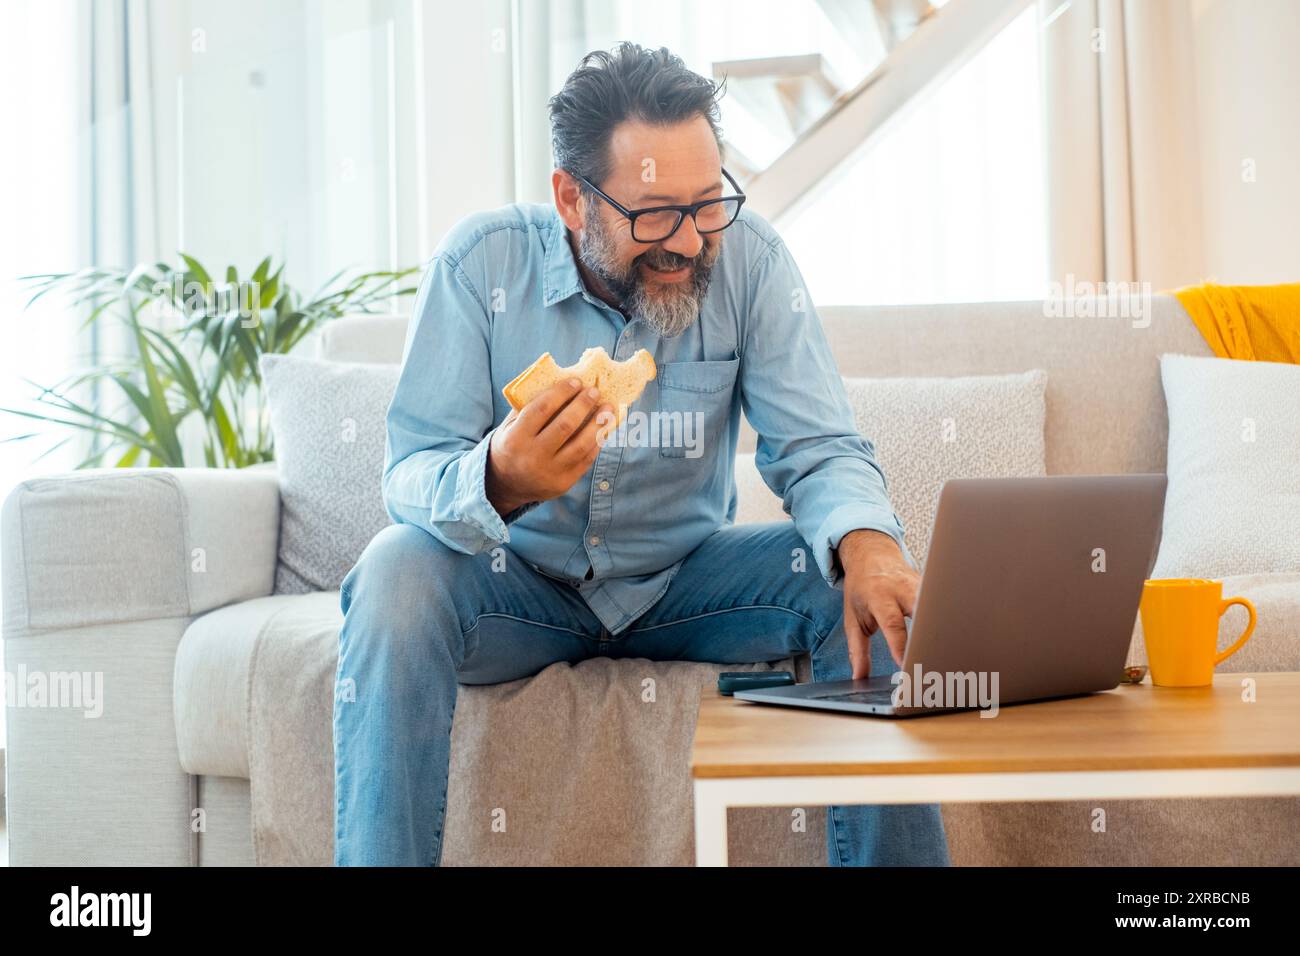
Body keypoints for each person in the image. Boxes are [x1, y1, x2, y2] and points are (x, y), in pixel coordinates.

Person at [334, 41, 949, 867]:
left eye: (707, 204)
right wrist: (500, 478)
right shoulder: (480, 265)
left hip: (687, 584)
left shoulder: (752, 262)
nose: (689, 243)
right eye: (655, 214)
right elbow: (411, 470)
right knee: (394, 572)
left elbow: (818, 445)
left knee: (849, 578)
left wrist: (870, 544)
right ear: (571, 198)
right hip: (515, 588)